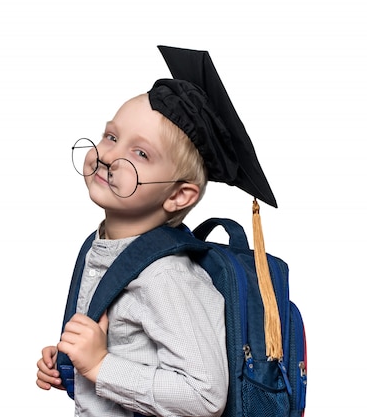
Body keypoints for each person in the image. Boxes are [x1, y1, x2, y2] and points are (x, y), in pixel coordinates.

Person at [36, 45, 277, 417]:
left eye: (141, 154)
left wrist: (100, 366)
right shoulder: (103, 246)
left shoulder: (165, 275)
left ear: (179, 195)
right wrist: (71, 361)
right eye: (112, 136)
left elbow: (205, 395)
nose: (110, 156)